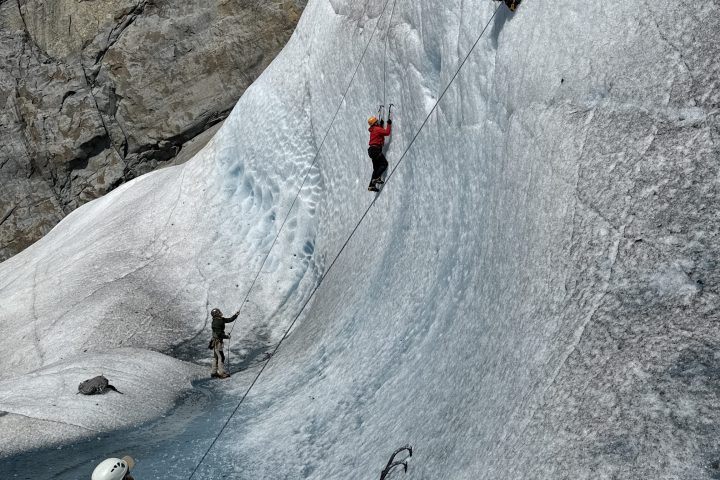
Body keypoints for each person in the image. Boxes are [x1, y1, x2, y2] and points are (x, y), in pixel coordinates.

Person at [209, 308, 238, 379]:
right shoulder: (216, 322)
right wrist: (226, 336)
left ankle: (214, 372)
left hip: (217, 341)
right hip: (217, 342)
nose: (220, 312)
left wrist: (236, 315)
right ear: (216, 314)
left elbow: (229, 320)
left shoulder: (220, 319)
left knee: (216, 357)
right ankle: (221, 373)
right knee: (221, 357)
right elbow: (219, 334)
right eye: (219, 312)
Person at [367, 115, 392, 192]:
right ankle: (376, 178)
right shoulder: (377, 129)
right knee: (384, 164)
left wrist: (381, 125)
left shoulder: (373, 129)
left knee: (376, 168)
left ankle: (371, 186)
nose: (377, 122)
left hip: (371, 150)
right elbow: (387, 132)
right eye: (376, 121)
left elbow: (379, 134)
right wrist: (389, 124)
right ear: (375, 123)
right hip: (375, 150)